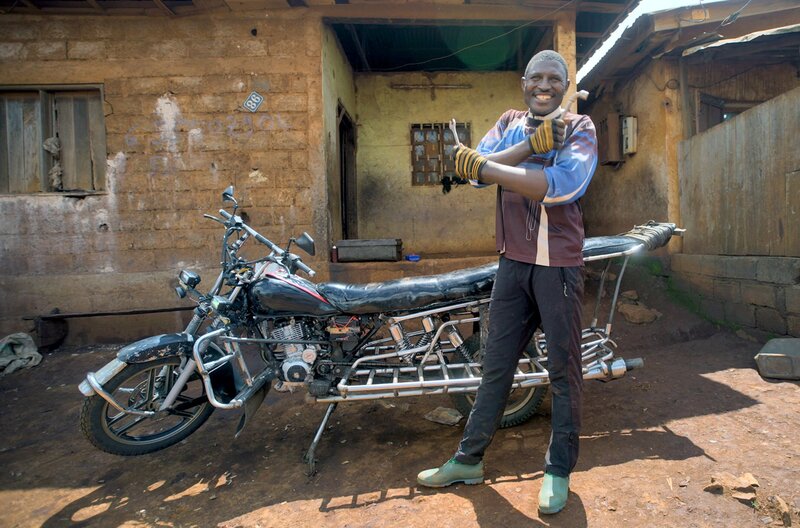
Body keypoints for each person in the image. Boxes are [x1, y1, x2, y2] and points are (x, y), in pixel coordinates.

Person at [416, 50, 598, 516]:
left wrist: (483, 166)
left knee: (562, 371)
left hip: (558, 265)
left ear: (565, 85)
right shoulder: (509, 121)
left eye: (554, 79)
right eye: (536, 77)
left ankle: (558, 470)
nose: (544, 85)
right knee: (495, 367)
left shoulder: (579, 127)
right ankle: (468, 460)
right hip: (513, 263)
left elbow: (561, 185)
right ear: (524, 82)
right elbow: (478, 174)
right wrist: (527, 147)